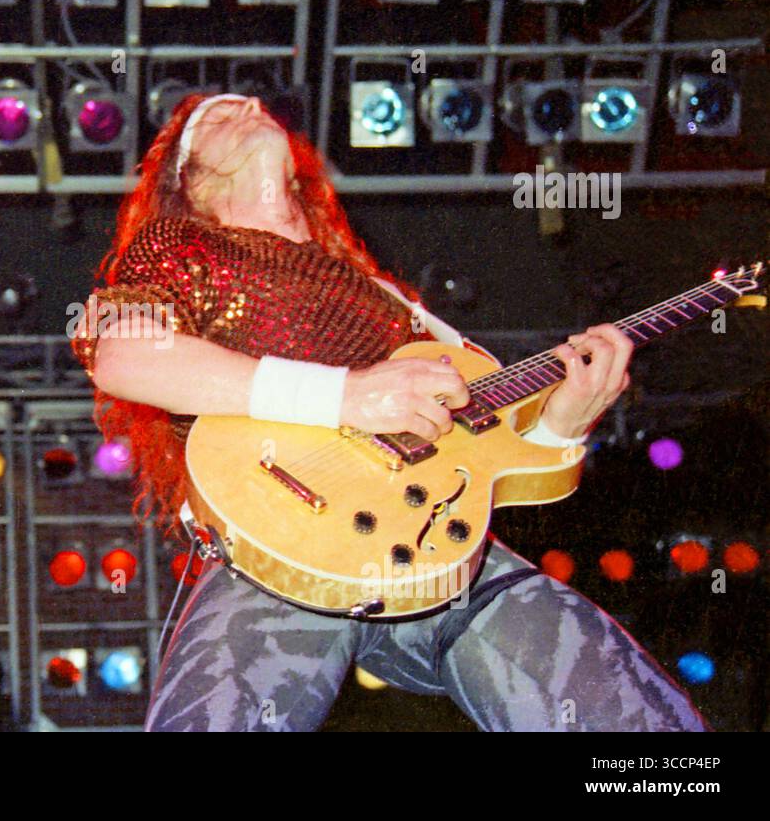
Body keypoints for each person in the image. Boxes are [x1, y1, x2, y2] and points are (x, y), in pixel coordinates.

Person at [71, 92, 708, 732]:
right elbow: (124, 354)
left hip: (441, 551)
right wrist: (348, 396)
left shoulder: (381, 294)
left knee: (634, 723)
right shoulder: (176, 244)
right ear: (186, 178)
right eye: (216, 117)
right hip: (277, 539)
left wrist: (566, 419)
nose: (251, 109)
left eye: (259, 105)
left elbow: (490, 448)